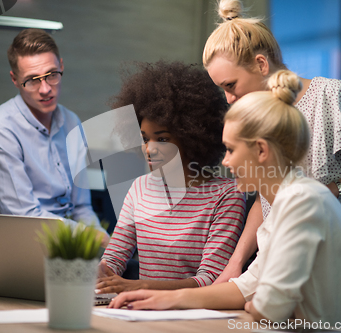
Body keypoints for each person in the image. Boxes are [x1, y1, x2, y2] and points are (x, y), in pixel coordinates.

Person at [108, 70, 341, 332]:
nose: (226, 162)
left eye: (230, 149)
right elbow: (246, 287)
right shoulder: (284, 204)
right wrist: (163, 299)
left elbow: (267, 307)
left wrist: (260, 304)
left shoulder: (302, 203)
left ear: (261, 150)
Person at [201, 0, 341, 316]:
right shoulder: (260, 119)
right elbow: (266, 198)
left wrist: (330, 191)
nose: (230, 99)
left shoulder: (331, 95)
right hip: (282, 264)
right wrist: (235, 263)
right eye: (223, 91)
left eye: (231, 86)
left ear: (261, 64)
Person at [95, 61, 245, 293]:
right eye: (145, 138)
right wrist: (95, 273)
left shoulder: (226, 195)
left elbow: (210, 279)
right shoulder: (140, 188)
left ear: (191, 137)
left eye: (162, 139)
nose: (149, 149)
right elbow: (114, 258)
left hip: (195, 317)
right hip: (142, 313)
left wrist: (139, 286)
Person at [0, 29, 109, 245]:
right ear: (15, 79)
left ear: (61, 66)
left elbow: (82, 208)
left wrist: (107, 249)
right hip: (18, 247)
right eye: (32, 80)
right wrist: (93, 237)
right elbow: (24, 217)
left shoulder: (72, 122)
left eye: (52, 75)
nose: (45, 89)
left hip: (69, 247)